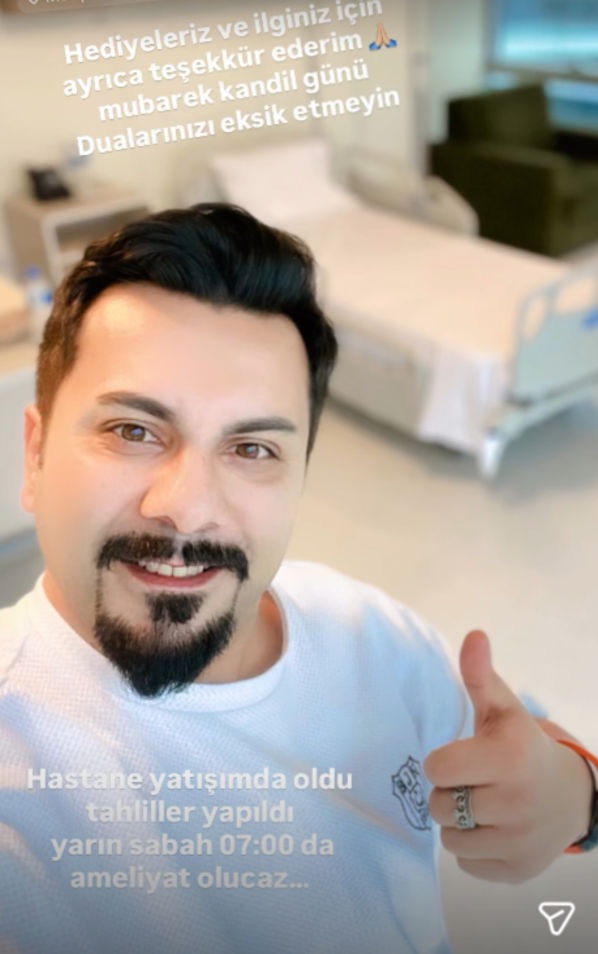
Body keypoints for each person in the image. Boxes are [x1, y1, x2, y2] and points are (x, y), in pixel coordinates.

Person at [0, 203, 595, 954]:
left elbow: (527, 750)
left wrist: (576, 796)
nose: (187, 507)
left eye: (252, 449)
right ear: (35, 455)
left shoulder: (368, 628)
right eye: (133, 430)